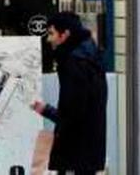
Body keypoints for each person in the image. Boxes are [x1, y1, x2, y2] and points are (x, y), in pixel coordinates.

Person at [30, 11, 107, 175]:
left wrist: (46, 110)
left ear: (65, 34)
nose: (48, 39)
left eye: (51, 33)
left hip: (75, 150)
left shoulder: (74, 63)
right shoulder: (89, 57)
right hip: (86, 150)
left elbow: (73, 112)